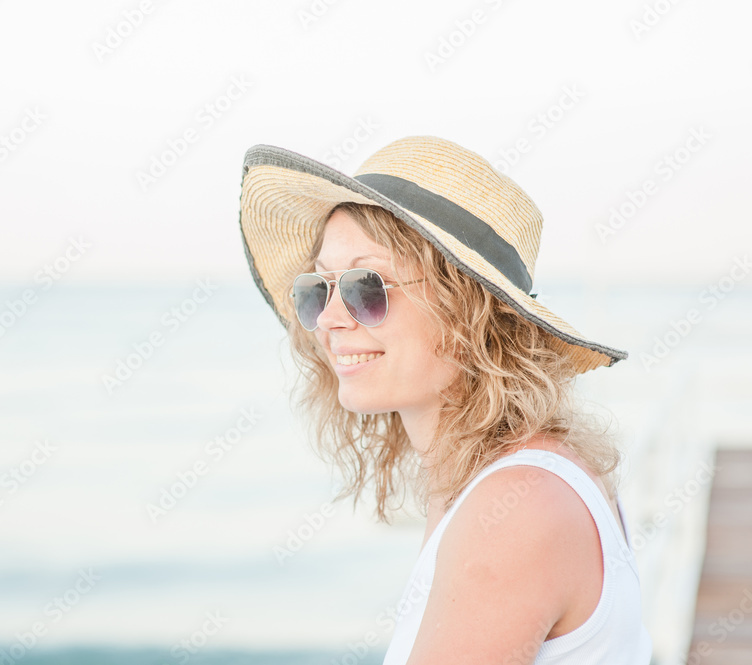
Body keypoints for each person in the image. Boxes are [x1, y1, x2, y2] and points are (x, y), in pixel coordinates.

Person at [236, 136, 653, 664]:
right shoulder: (488, 480)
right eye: (318, 288)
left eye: (368, 286)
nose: (330, 319)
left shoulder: (516, 509)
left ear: (466, 311)